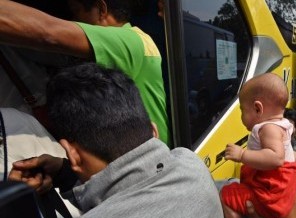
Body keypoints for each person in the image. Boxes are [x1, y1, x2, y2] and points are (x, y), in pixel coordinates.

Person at [8, 63, 230, 218]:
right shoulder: (191, 165)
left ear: (71, 153)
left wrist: (13, 212)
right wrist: (65, 173)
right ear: (153, 130)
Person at [0, 0, 170, 144]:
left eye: (76, 12)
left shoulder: (130, 41)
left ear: (101, 10)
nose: (73, 20)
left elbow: (48, 32)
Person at [220, 73, 296, 218]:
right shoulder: (283, 124)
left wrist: (242, 154)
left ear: (258, 109)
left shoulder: (268, 128)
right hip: (282, 196)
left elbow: (276, 158)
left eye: (242, 110)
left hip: (269, 196)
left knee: (226, 193)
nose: (241, 115)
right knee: (269, 216)